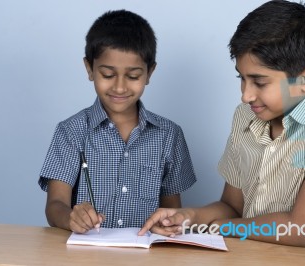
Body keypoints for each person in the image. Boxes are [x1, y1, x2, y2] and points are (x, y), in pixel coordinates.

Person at [139, 0, 305, 256]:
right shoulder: (245, 116)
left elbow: (301, 229)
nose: (246, 95)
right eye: (242, 78)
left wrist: (224, 228)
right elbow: (232, 206)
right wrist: (189, 216)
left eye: (259, 82)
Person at [38, 10, 196, 233]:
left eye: (133, 76)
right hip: (85, 256)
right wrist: (70, 217)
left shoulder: (169, 135)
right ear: (89, 68)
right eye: (108, 75)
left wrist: (169, 225)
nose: (120, 87)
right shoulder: (70, 131)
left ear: (150, 73)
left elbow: (171, 209)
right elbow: (55, 206)